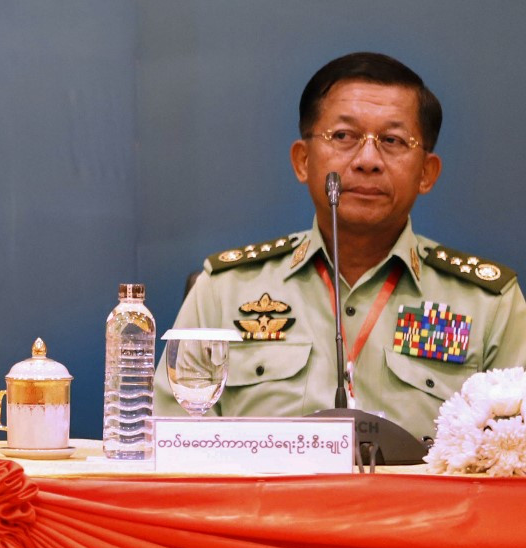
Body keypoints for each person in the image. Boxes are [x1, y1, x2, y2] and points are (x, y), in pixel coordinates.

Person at [155, 52, 526, 441]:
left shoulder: (488, 305)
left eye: (393, 140)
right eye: (344, 137)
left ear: (427, 173)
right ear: (302, 160)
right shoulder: (224, 291)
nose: (368, 160)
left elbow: (510, 462)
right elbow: (176, 451)